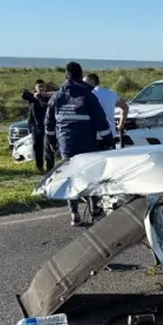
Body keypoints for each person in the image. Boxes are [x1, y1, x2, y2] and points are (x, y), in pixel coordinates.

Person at [45, 61, 114, 225]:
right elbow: (101, 121)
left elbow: (49, 123)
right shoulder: (88, 95)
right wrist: (108, 141)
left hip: (67, 145)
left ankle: (74, 214)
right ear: (80, 74)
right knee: (90, 175)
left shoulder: (57, 96)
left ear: (65, 75)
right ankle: (95, 209)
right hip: (87, 144)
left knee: (70, 177)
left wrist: (52, 141)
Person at [85, 72, 129, 149]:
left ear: (92, 82)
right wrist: (120, 124)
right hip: (110, 135)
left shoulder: (87, 94)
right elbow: (125, 107)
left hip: (93, 136)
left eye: (84, 82)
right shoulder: (111, 93)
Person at [21, 80, 55, 172]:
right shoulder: (32, 97)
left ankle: (50, 168)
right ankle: (39, 166)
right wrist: (34, 95)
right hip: (36, 126)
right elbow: (24, 94)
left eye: (42, 87)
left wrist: (41, 97)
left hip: (47, 126)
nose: (41, 88)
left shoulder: (48, 98)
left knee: (48, 148)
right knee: (37, 147)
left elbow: (47, 105)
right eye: (39, 87)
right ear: (35, 88)